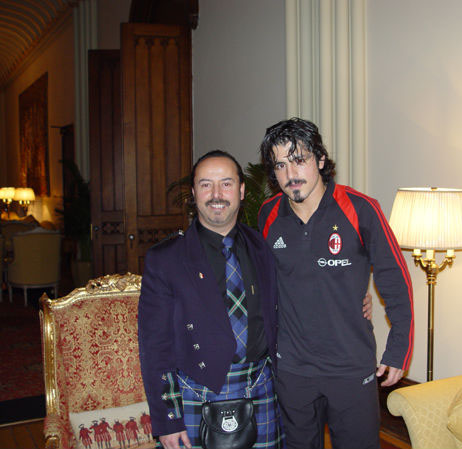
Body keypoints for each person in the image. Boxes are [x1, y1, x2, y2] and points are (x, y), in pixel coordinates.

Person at [258, 118, 414, 449]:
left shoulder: (361, 209)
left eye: (299, 160)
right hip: (292, 371)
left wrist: (399, 349)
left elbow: (396, 282)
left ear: (321, 160)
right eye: (281, 165)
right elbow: (265, 285)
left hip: (350, 368)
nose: (290, 175)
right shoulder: (268, 214)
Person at [138, 150, 284, 448]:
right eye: (206, 184)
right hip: (197, 391)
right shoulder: (165, 259)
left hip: (262, 387)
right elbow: (155, 346)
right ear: (194, 193)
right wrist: (168, 420)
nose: (217, 194)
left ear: (242, 190)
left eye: (226, 183)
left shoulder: (264, 247)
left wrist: (354, 300)